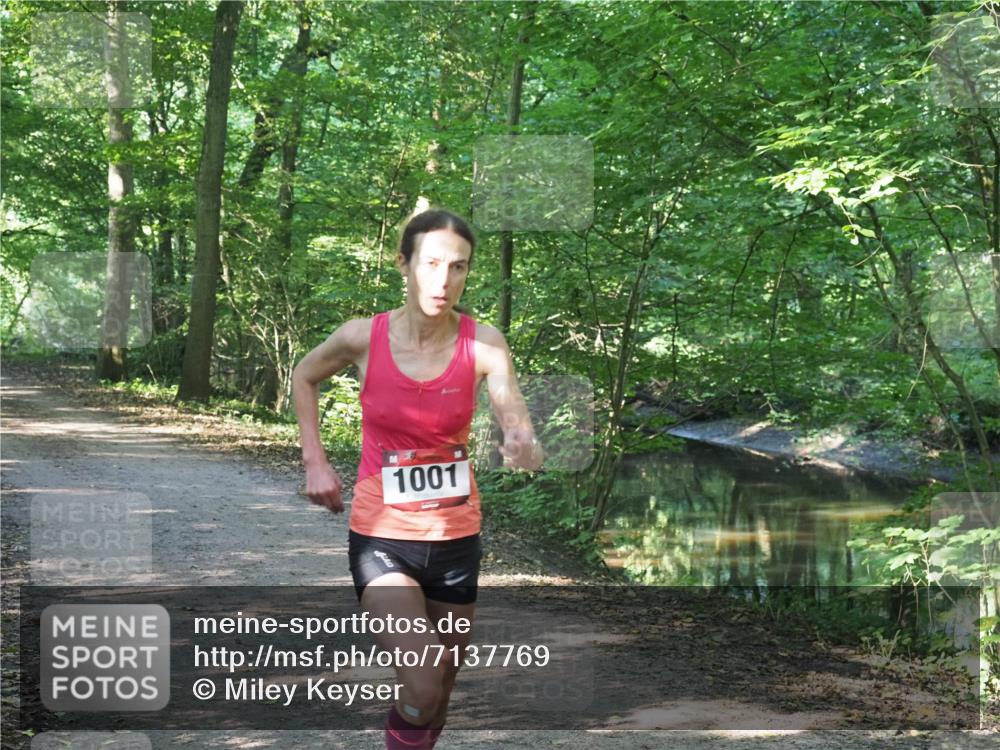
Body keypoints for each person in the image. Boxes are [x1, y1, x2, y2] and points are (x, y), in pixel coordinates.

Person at [292, 208, 543, 749]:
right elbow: (304, 375)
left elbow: (512, 413)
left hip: (455, 540)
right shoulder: (362, 337)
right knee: (426, 681)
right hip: (382, 537)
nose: (444, 280)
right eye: (431, 264)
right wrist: (315, 459)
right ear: (403, 263)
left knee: (439, 690)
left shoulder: (485, 343)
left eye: (458, 267)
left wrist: (524, 441)